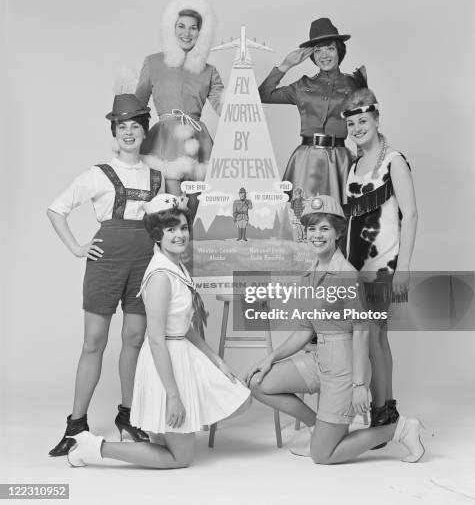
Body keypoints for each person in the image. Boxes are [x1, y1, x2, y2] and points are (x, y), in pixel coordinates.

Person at [65, 194, 251, 469]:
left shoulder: (176, 267)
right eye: (171, 230)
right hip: (166, 364)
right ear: (156, 235)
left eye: (183, 228)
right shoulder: (161, 276)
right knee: (182, 458)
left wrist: (218, 361)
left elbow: (182, 327)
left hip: (180, 355)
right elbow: (155, 340)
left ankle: (157, 436)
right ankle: (94, 448)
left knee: (241, 397)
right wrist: (173, 396)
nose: (180, 235)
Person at [245, 195, 427, 464]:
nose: (317, 235)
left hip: (343, 365)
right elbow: (306, 328)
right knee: (257, 382)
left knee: (322, 456)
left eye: (324, 228)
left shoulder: (346, 275)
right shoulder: (309, 274)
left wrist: (358, 384)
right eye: (312, 229)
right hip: (319, 359)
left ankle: (399, 430)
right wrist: (270, 358)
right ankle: (316, 427)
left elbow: (362, 330)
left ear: (338, 233)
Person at [47, 94, 164, 456]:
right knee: (93, 342)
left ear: (145, 131)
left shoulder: (159, 175)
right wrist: (78, 247)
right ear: (114, 132)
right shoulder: (97, 174)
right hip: (106, 262)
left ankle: (128, 416)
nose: (129, 132)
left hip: (147, 262)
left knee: (134, 338)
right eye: (122, 126)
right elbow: (56, 209)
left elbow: (171, 220)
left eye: (135, 126)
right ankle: (76, 425)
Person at [342, 88, 418, 442]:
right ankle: (386, 415)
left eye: (363, 121)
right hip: (356, 266)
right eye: (352, 122)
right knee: (376, 338)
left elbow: (412, 214)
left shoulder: (394, 161)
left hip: (384, 265)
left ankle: (382, 416)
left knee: (373, 336)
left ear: (376, 120)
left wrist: (403, 268)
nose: (358, 127)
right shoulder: (354, 167)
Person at [258, 17, 367, 204]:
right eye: (318, 50)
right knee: (300, 216)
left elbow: (364, 126)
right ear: (312, 55)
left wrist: (364, 164)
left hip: (340, 161)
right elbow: (262, 95)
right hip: (305, 161)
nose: (324, 55)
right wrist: (286, 64)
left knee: (337, 217)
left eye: (330, 48)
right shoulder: (302, 86)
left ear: (339, 51)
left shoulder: (354, 84)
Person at [135, 0, 224, 203]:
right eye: (181, 26)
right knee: (170, 203)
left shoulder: (209, 71)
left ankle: (191, 235)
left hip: (198, 139)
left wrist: (243, 94)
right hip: (165, 139)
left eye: (193, 28)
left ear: (201, 32)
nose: (187, 33)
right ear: (171, 28)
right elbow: (139, 105)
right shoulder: (153, 62)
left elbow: (224, 108)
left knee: (195, 202)